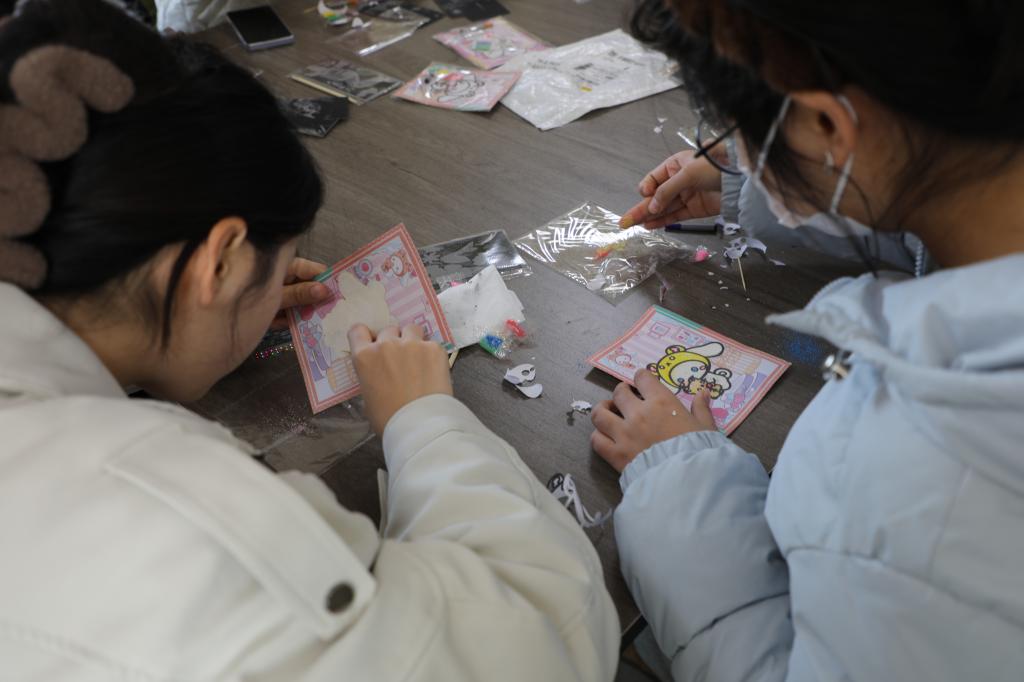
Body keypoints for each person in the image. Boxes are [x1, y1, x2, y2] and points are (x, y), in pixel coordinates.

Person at [0, 1, 619, 680]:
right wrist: (425, 423)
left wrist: (185, 327)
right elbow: (543, 637)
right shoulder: (188, 525)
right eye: (274, 266)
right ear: (220, 263)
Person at [591, 0, 1024, 680]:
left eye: (736, 130)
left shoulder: (927, 481)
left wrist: (679, 480)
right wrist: (756, 183)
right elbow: (930, 203)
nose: (734, 148)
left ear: (827, 124)